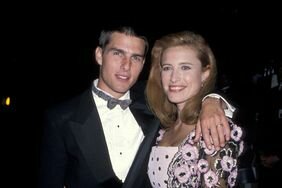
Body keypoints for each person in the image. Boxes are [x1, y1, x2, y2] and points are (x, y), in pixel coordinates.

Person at [38, 26, 235, 188]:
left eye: (136, 58)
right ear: (99, 55)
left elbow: (196, 86)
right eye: (118, 53)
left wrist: (212, 100)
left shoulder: (154, 106)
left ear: (143, 64)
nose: (126, 65)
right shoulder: (60, 119)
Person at [146, 31, 244, 187]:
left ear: (205, 73)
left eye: (185, 67)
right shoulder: (161, 128)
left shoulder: (213, 127)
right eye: (167, 68)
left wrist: (213, 100)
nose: (173, 78)